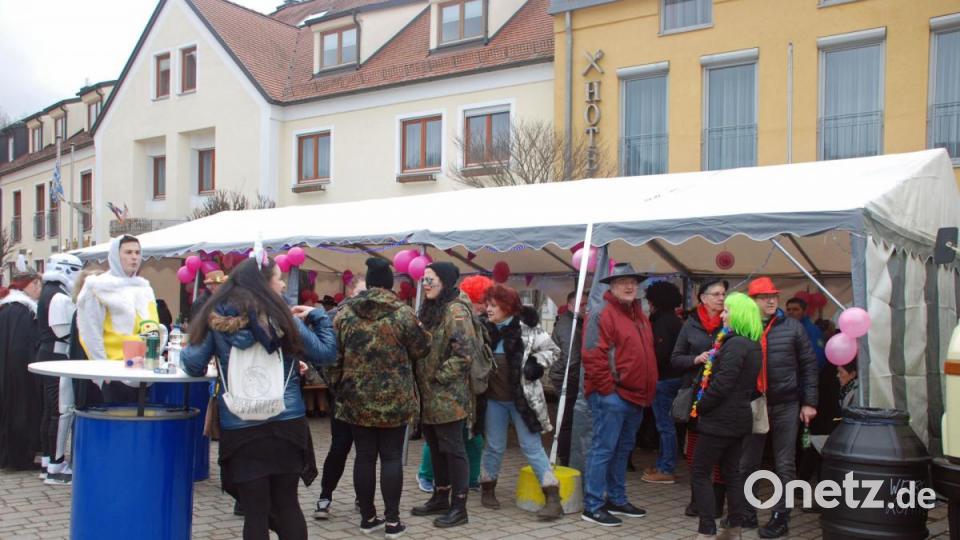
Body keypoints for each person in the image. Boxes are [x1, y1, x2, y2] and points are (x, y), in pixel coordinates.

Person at [181, 255, 336, 540]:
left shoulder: (217, 318)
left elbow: (192, 364)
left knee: (255, 511)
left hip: (241, 425)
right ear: (263, 283)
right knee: (287, 504)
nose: (283, 285)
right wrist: (318, 315)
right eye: (278, 278)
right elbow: (326, 353)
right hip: (286, 423)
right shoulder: (284, 318)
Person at [326, 258, 430, 537]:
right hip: (395, 399)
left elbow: (332, 358)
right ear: (389, 284)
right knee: (391, 457)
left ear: (370, 283)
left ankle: (368, 518)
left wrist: (338, 387)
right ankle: (393, 522)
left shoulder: (345, 315)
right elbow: (422, 348)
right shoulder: (403, 314)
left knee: (364, 457)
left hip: (355, 399)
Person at [739, 277, 818, 538]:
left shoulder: (793, 327)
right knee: (747, 461)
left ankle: (781, 517)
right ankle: (747, 512)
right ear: (753, 301)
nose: (771, 300)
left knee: (785, 463)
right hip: (754, 402)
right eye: (764, 297)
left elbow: (809, 365)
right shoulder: (743, 327)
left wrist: (809, 402)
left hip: (786, 402)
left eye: (773, 296)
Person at [581, 263, 657, 527]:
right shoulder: (602, 313)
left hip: (636, 395)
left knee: (622, 450)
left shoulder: (639, 315)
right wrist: (607, 389)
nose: (629, 286)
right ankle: (593, 505)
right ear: (611, 286)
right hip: (612, 396)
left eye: (633, 282)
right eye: (623, 282)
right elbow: (592, 355)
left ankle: (616, 498)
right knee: (603, 449)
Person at [478, 284, 562, 520]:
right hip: (493, 401)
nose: (488, 309)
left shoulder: (528, 329)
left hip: (522, 401)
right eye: (487, 304)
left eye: (493, 305)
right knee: (494, 446)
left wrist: (536, 364)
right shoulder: (483, 329)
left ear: (507, 306)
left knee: (531, 446)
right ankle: (488, 488)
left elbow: (553, 351)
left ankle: (553, 498)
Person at [691, 292, 763, 540]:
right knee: (732, 474)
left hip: (720, 421)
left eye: (727, 310)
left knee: (700, 472)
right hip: (738, 420)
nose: (722, 315)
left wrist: (700, 406)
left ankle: (706, 530)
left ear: (739, 314)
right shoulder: (752, 345)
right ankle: (734, 528)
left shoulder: (735, 345)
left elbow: (722, 384)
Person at [411, 262, 477, 528]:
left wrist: (437, 377)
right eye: (424, 280)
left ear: (446, 282)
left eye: (431, 280)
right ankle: (440, 497)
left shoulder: (456, 310)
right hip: (429, 397)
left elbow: (465, 355)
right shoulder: (432, 308)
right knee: (436, 449)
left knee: (453, 450)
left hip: (448, 396)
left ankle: (459, 507)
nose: (426, 284)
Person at [417, 274, 492, 494]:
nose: (487, 307)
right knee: (442, 441)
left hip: (461, 388)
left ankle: (464, 486)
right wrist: (436, 376)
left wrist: (437, 376)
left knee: (465, 440)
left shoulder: (463, 314)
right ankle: (432, 481)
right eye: (485, 301)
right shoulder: (452, 312)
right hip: (448, 390)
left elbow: (466, 354)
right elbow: (459, 354)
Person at [76, 235, 168, 403]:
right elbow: (90, 333)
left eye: (137, 253)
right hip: (114, 372)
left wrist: (153, 358)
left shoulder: (144, 288)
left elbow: (152, 326)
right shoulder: (98, 286)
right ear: (115, 255)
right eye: (128, 252)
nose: (134, 257)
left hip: (145, 371)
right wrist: (103, 373)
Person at [671, 278, 729, 517]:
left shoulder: (730, 322)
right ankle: (697, 500)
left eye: (723, 294)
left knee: (719, 452)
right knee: (695, 451)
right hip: (696, 396)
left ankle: (716, 503)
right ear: (703, 298)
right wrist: (696, 359)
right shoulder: (690, 325)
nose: (721, 298)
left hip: (722, 396)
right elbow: (675, 358)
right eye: (716, 294)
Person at [313, 273, 366, 520]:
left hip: (368, 398)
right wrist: (335, 384)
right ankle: (325, 496)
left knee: (365, 452)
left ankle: (362, 498)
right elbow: (322, 355)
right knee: (339, 447)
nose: (364, 297)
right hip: (343, 396)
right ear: (350, 291)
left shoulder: (374, 317)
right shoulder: (335, 316)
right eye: (361, 292)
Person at [35, 253, 83, 485]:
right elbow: (63, 332)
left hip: (50, 355)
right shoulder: (58, 296)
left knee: (51, 410)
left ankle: (49, 461)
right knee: (61, 411)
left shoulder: (49, 292)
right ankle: (55, 465)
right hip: (58, 356)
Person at [0, 269, 43, 470]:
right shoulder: (24, 311)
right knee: (21, 411)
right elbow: (21, 348)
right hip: (20, 372)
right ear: (31, 284)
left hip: (6, 370)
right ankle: (19, 457)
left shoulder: (7, 308)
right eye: (38, 285)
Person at [642, 280, 684, 484]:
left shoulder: (662, 322)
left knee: (665, 426)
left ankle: (666, 468)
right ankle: (662, 465)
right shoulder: (675, 320)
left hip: (665, 379)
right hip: (674, 377)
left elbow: (660, 353)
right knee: (666, 425)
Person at [550, 290, 586, 468]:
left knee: (569, 419)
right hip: (567, 378)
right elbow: (571, 358)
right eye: (582, 305)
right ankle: (565, 458)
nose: (586, 308)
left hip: (569, 376)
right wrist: (579, 380)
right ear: (571, 306)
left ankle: (567, 456)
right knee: (567, 420)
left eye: (587, 304)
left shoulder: (576, 322)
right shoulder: (568, 325)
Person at [785, 297, 827, 369]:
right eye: (788, 309)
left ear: (804, 312)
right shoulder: (784, 328)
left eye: (795, 309)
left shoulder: (812, 330)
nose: (791, 312)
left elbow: (818, 357)